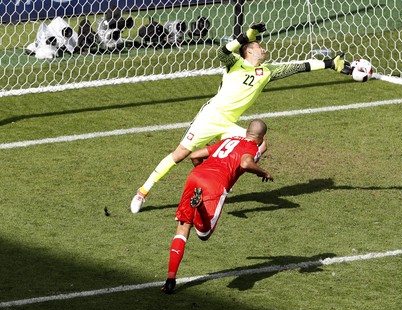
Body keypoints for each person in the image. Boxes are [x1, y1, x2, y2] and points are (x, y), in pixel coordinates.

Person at [130, 22, 351, 213]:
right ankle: (142, 192)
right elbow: (221, 52)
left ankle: (222, 181)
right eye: (258, 46)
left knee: (259, 144)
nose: (263, 49)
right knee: (179, 155)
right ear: (249, 52)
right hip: (210, 117)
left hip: (229, 125)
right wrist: (246, 36)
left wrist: (331, 64)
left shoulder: (267, 72)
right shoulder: (234, 63)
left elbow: (299, 67)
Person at [161, 119, 273, 294]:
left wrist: (202, 172)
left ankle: (170, 279)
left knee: (183, 229)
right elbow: (245, 163)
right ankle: (200, 207)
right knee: (204, 234)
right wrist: (263, 171)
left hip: (195, 176)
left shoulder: (229, 140)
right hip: (215, 184)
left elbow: (195, 155)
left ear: (246, 132)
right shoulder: (252, 148)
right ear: (263, 137)